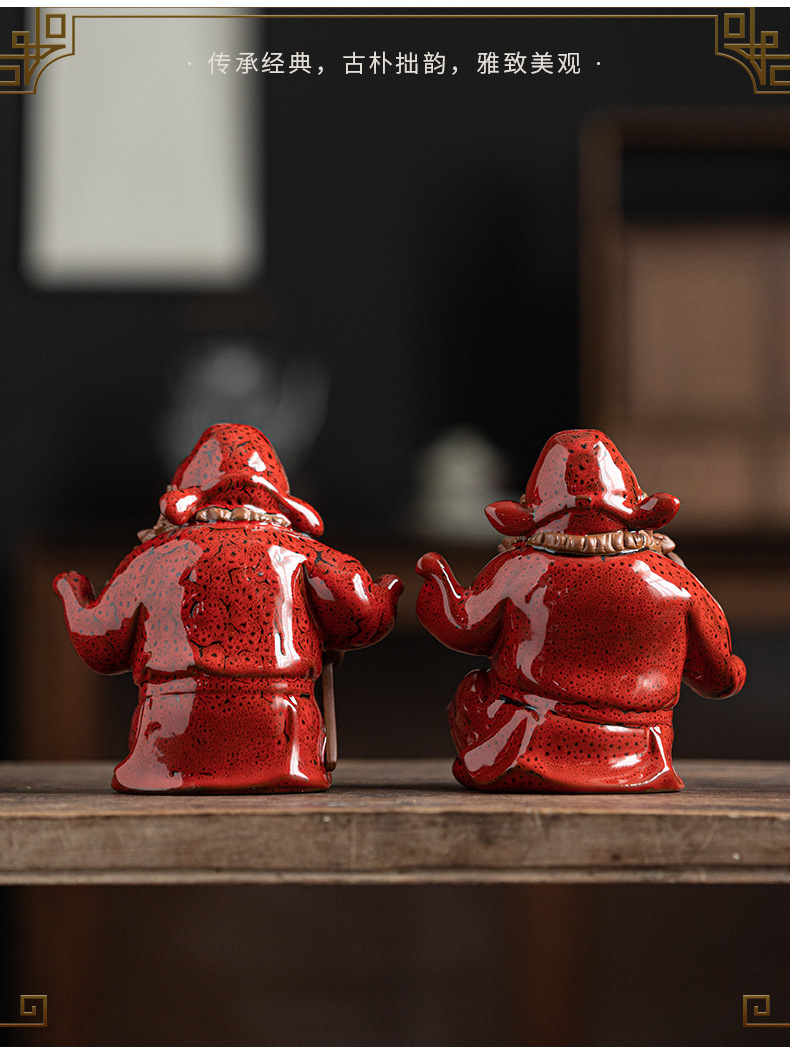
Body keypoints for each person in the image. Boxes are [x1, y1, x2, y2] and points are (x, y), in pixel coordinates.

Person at [416, 429, 745, 792]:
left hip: (525, 744)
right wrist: (734, 670)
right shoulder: (675, 582)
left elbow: (462, 627)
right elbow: (718, 678)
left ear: (527, 511)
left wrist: (435, 581)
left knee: (472, 691)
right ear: (640, 507)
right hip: (643, 755)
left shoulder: (517, 571)